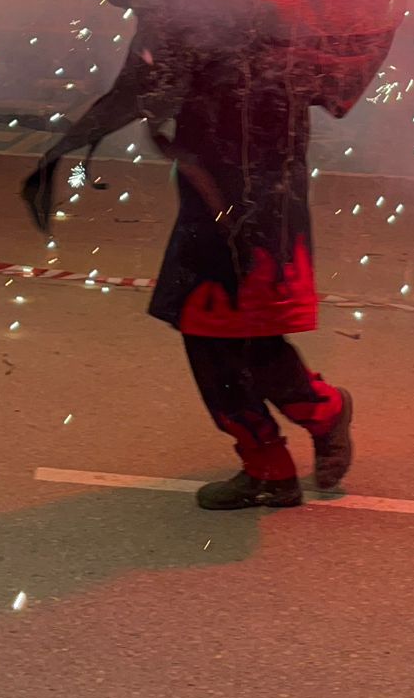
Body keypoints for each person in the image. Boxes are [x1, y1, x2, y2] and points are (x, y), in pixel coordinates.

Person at [147, 27, 352, 510]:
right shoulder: (201, 24)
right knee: (215, 337)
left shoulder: (279, 37)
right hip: (211, 209)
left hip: (259, 214)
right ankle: (279, 458)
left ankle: (316, 420)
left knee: (238, 335)